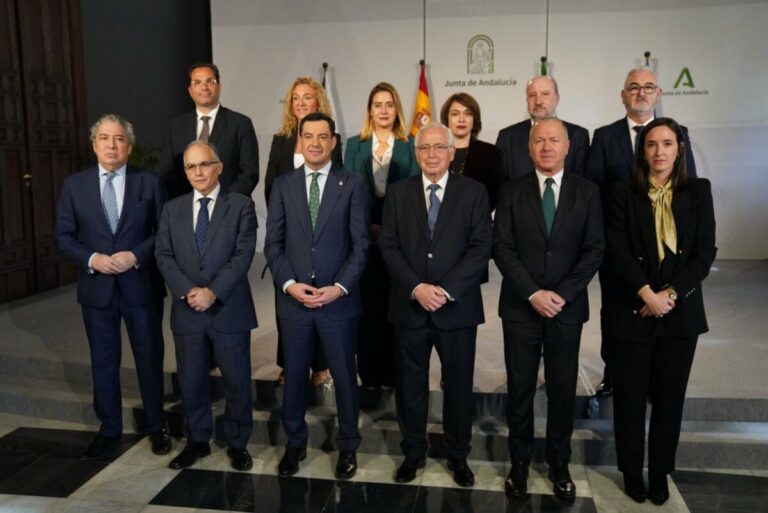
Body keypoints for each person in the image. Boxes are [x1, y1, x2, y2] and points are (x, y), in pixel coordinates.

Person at [606, 117, 715, 505]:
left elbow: (705, 254)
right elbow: (616, 250)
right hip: (633, 310)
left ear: (679, 149)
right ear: (642, 151)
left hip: (679, 313)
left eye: (667, 144)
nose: (659, 152)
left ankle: (660, 472)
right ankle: (632, 472)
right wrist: (646, 293)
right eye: (651, 145)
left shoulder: (698, 191)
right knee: (630, 400)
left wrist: (669, 294)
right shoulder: (622, 192)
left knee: (670, 401)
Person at [494, 118, 603, 501]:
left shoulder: (587, 193)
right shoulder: (510, 192)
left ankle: (560, 463)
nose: (546, 146)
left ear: (568, 146)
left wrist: (562, 295)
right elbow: (502, 248)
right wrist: (532, 293)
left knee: (560, 390)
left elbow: (594, 249)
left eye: (554, 140)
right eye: (539, 140)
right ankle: (519, 462)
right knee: (520, 391)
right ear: (528, 147)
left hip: (566, 309)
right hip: (521, 308)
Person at [379, 122, 492, 487]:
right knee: (410, 386)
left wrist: (444, 290)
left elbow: (480, 248)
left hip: (456, 308)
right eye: (424, 148)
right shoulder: (398, 193)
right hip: (410, 307)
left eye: (438, 148)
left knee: (458, 387)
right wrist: (416, 288)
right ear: (417, 153)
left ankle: (458, 456)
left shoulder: (474, 193)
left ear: (451, 151)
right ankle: (413, 452)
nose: (431, 154)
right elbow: (390, 246)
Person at [54, 114, 170, 458]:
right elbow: (63, 235)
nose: (111, 144)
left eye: (119, 139)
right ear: (94, 145)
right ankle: (109, 429)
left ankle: (156, 426)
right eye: (104, 138)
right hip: (97, 288)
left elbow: (163, 232)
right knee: (103, 361)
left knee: (150, 358)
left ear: (129, 147)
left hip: (141, 286)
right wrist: (92, 259)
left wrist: (135, 255)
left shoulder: (149, 182)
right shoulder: (74, 186)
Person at [265, 112, 369, 480]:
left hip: (337, 302)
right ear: (299, 140)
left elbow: (361, 246)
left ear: (334, 141)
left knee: (343, 377)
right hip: (293, 302)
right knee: (294, 377)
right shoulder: (282, 185)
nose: (315, 143)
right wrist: (289, 284)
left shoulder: (352, 184)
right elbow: (273, 245)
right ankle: (295, 444)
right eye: (308, 136)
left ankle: (348, 446)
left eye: (322, 137)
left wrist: (338, 288)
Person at [586, 67, 698, 397]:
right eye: (633, 87)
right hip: (620, 248)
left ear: (659, 94)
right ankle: (614, 372)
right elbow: (595, 189)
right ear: (623, 95)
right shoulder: (604, 136)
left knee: (662, 304)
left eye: (648, 87)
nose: (641, 92)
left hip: (665, 249)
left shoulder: (679, 133)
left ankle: (655, 377)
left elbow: (686, 188)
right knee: (616, 312)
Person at [155, 141, 258, 472]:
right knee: (192, 380)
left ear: (219, 167)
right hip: (189, 310)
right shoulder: (172, 209)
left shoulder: (241, 205)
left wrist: (213, 291)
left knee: (237, 380)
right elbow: (163, 255)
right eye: (190, 167)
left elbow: (243, 255)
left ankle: (238, 443)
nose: (197, 172)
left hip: (228, 307)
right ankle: (197, 440)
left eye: (204, 164)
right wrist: (188, 291)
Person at [265, 77, 343, 387]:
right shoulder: (280, 140)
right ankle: (288, 364)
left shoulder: (328, 137)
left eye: (307, 97)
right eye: (295, 98)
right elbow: (271, 185)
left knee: (320, 300)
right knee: (288, 299)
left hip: (323, 233)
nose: (300, 102)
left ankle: (320, 367)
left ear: (317, 102)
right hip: (288, 234)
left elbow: (338, 182)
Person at [345, 82, 419, 389]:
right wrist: (367, 228)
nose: (384, 110)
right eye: (378, 104)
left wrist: (387, 229)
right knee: (368, 308)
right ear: (370, 110)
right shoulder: (354, 144)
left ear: (397, 109)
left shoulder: (410, 142)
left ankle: (393, 374)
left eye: (389, 104)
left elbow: (414, 193)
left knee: (395, 307)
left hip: (398, 238)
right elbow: (349, 194)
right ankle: (370, 375)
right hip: (363, 238)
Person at [158, 62, 259, 199]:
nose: (204, 87)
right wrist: (186, 203)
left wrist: (223, 202)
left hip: (230, 207)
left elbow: (249, 173)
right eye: (197, 82)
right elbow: (167, 172)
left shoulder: (240, 124)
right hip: (187, 210)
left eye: (210, 81)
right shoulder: (176, 126)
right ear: (190, 90)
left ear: (219, 86)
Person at [495, 75, 589, 182]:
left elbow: (582, 187)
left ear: (557, 99)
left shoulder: (577, 135)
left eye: (545, 94)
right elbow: (500, 187)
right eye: (532, 95)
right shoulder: (507, 137)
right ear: (527, 100)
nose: (538, 101)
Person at [440, 92, 504, 210]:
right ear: (446, 119)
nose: (462, 119)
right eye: (455, 114)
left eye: (468, 114)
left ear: (474, 119)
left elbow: (495, 196)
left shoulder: (490, 153)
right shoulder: (437, 152)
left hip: (477, 222)